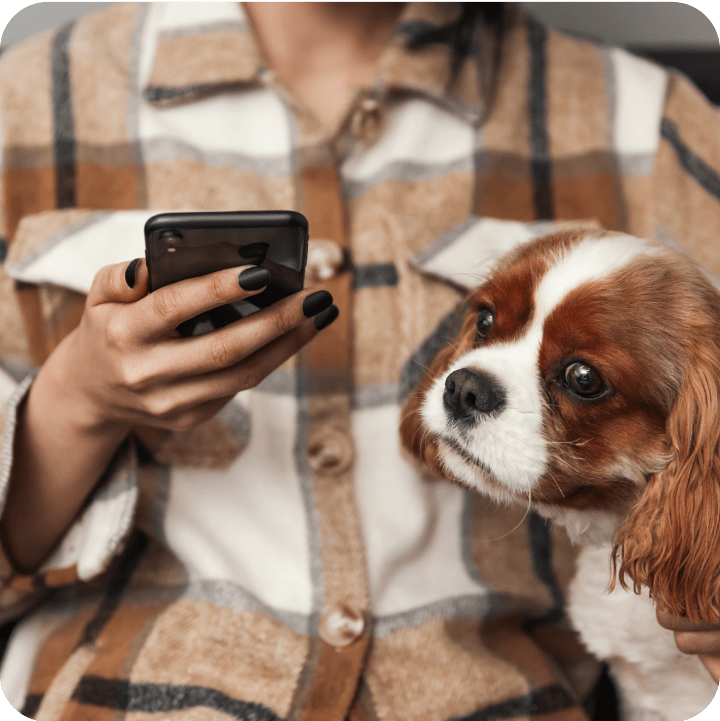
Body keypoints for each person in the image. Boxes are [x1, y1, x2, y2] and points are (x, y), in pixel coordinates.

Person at [0, 2, 717, 719]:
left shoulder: (651, 123)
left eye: (583, 379)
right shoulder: (26, 100)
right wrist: (76, 403)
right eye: (487, 324)